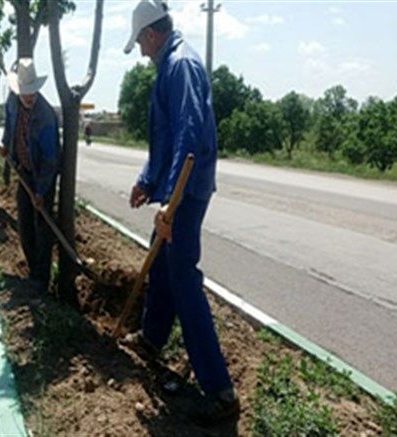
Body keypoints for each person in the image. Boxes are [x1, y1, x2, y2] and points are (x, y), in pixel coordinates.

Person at [121, 0, 239, 424]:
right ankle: (152, 339)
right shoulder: (169, 65)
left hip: (186, 195)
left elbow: (189, 137)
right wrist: (147, 181)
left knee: (184, 280)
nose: (140, 51)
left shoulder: (181, 65)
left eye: (139, 42)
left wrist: (170, 203)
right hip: (175, 189)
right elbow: (165, 139)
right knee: (162, 266)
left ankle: (220, 391)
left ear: (152, 34)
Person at [1, 58, 60, 293]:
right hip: (24, 170)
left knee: (42, 227)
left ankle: (41, 278)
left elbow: (50, 160)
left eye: (32, 92)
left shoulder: (45, 117)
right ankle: (32, 270)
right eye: (24, 93)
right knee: (24, 224)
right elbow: (9, 124)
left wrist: (41, 192)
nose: (28, 97)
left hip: (42, 176)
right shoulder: (13, 102)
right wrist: (6, 145)